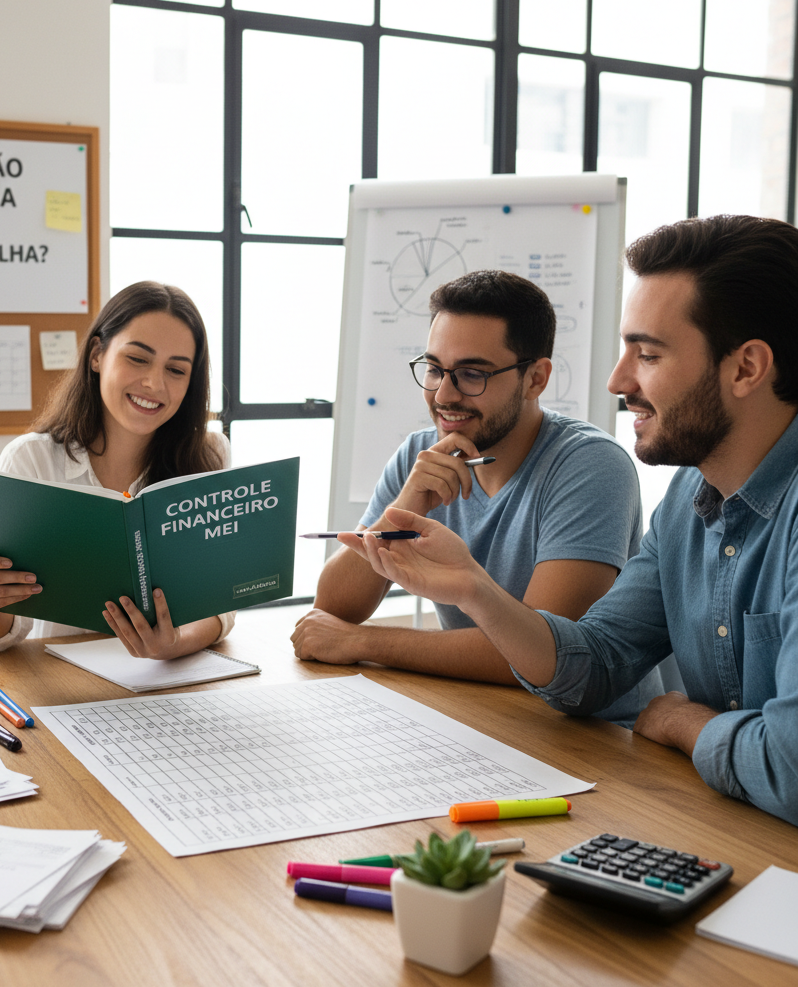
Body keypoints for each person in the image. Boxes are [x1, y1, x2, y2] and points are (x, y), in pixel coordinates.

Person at [339, 214, 798, 826]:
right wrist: (474, 590)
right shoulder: (691, 497)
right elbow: (596, 664)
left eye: (649, 354)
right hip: (721, 822)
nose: (618, 381)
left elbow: (789, 773)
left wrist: (685, 721)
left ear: (745, 368)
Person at [292, 269, 665, 725]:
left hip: (594, 738)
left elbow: (542, 655)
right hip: (482, 716)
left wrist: (365, 642)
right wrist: (409, 501)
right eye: (434, 369)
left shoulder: (590, 466)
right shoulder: (419, 453)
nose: (444, 395)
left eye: (472, 374)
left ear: (536, 378)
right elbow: (332, 611)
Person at [0, 280, 234, 659]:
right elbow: (2, 636)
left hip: (170, 682)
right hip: (63, 688)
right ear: (97, 355)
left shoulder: (210, 454)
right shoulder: (31, 461)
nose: (155, 383)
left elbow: (220, 600)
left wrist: (173, 645)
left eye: (176, 370)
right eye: (137, 359)